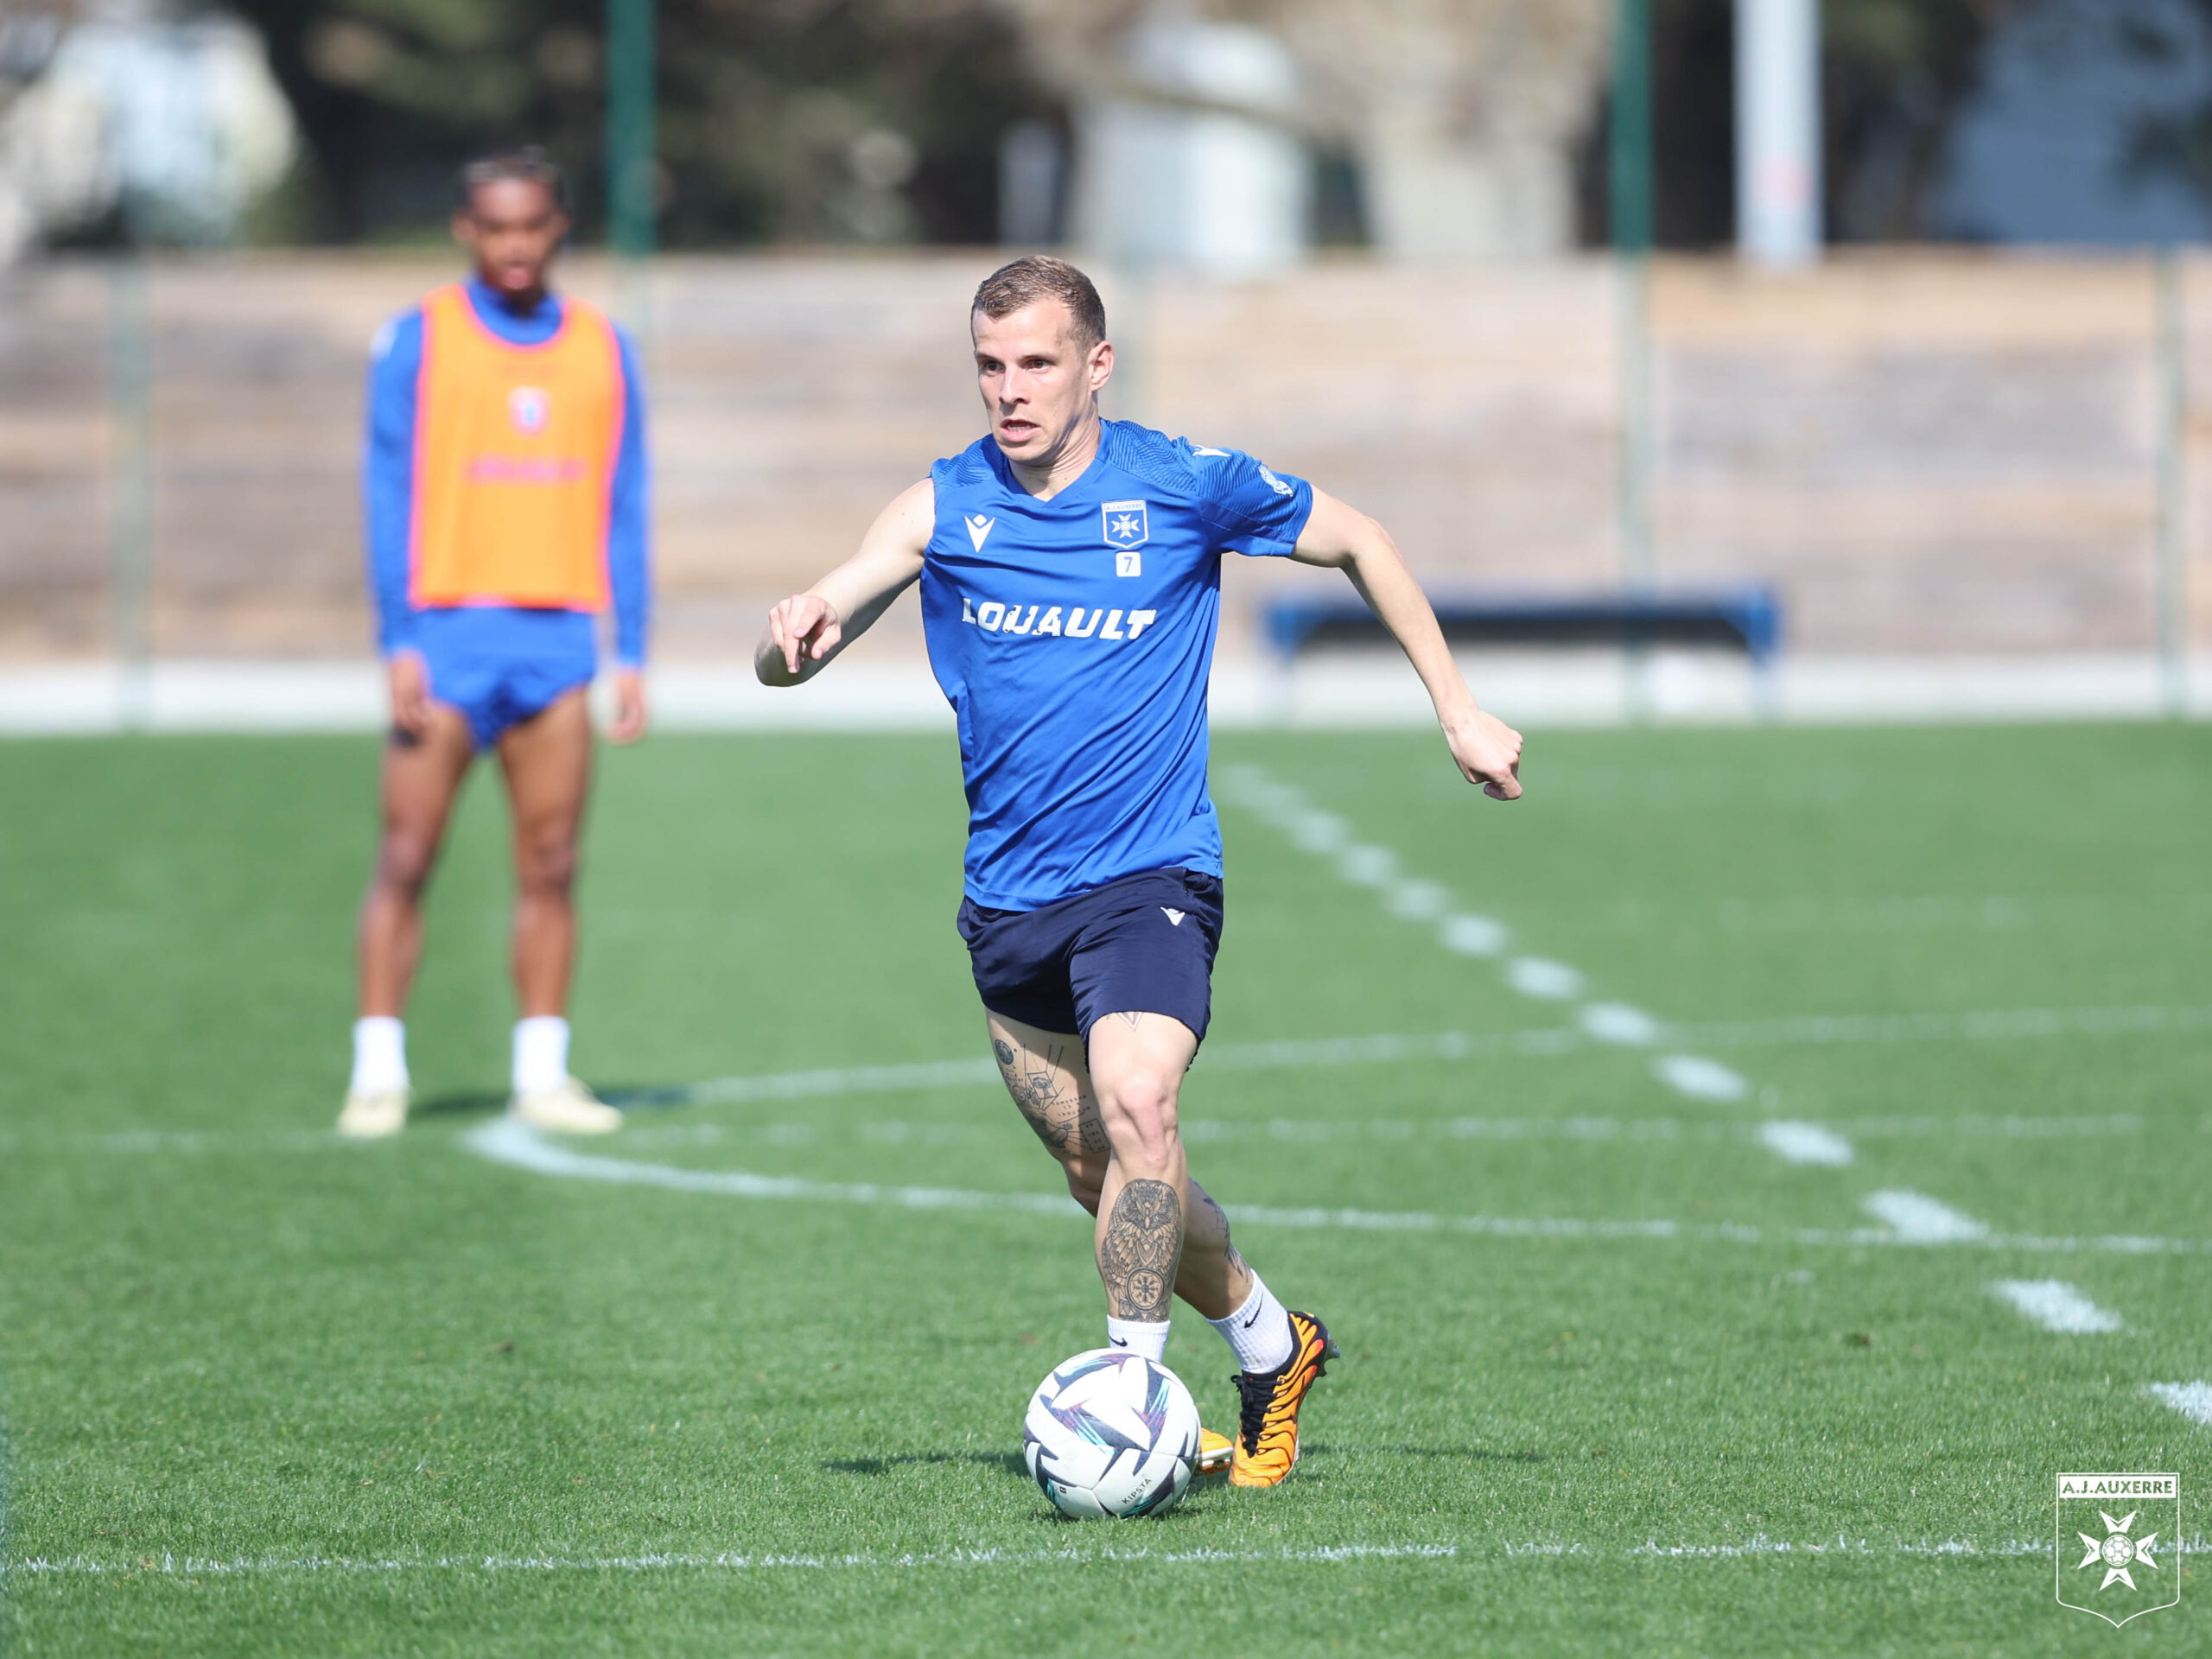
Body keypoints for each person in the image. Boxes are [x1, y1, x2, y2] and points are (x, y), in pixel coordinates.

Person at [754, 256, 1522, 1488]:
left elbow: (1361, 541)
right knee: (1100, 1169)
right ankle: (1271, 1343)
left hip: (1150, 878)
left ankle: (1128, 1397)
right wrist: (791, 633)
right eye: (991, 366)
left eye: (1038, 363)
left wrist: (1458, 710)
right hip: (1009, 904)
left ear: (1097, 365)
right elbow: (814, 626)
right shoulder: (944, 505)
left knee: (1140, 1103)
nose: (1011, 390)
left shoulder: (1182, 484)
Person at [338, 147, 651, 1141]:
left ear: (558, 228)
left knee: (552, 862)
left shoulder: (602, 345)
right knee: (406, 855)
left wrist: (630, 649)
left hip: (558, 645)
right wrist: (398, 637)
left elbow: (625, 500)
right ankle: (378, 1072)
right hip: (446, 639)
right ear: (467, 230)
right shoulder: (418, 339)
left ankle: (542, 1074)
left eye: (532, 226)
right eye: (496, 227)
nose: (515, 245)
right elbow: (387, 491)